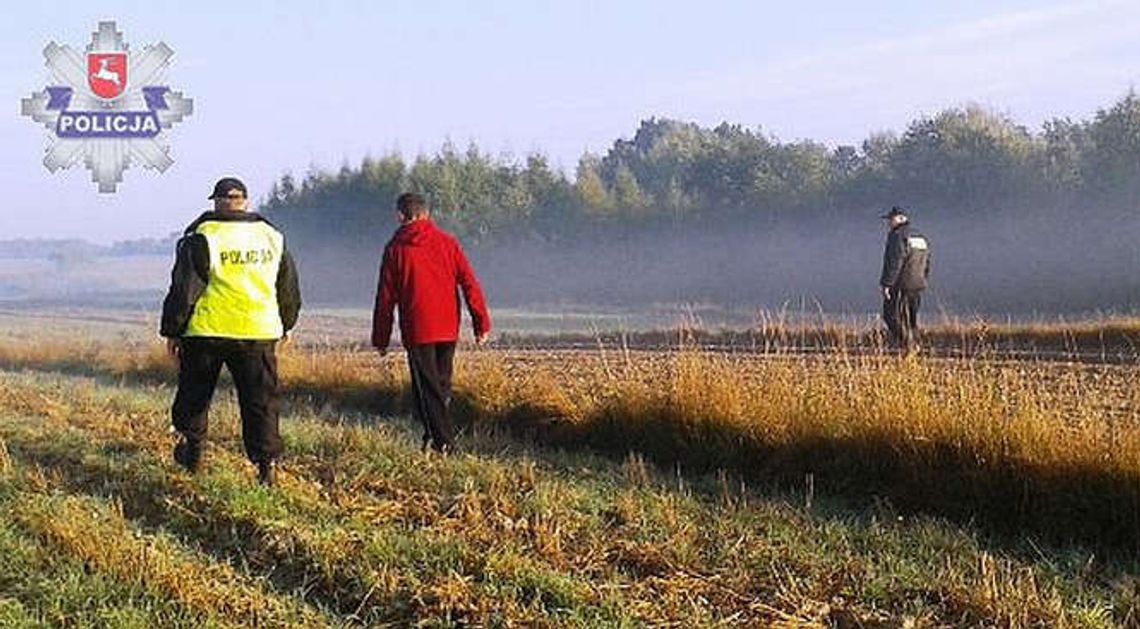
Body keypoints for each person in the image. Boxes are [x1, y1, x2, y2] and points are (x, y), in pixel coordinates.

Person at [160, 177, 301, 485]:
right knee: (260, 402)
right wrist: (287, 322)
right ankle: (266, 468)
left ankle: (193, 449)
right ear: (245, 201)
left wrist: (173, 330)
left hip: (206, 332)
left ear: (217, 202)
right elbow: (287, 285)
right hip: (258, 332)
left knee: (195, 394)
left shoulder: (203, 235)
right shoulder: (271, 236)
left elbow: (184, 289)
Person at [372, 192, 491, 454]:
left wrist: (381, 338)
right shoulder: (448, 243)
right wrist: (481, 323)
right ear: (427, 214)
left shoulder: (395, 249)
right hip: (448, 327)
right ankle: (433, 437)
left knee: (426, 390)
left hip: (417, 328)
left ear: (400, 216)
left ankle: (444, 443)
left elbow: (385, 297)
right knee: (441, 385)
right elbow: (469, 283)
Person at [879, 205, 931, 353]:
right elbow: (927, 261)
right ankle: (915, 344)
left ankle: (908, 345)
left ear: (902, 218)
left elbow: (895, 261)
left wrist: (887, 284)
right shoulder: (921, 237)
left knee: (890, 315)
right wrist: (924, 279)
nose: (889, 222)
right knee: (911, 319)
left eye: (892, 219)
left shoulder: (897, 236)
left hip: (901, 284)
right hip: (917, 284)